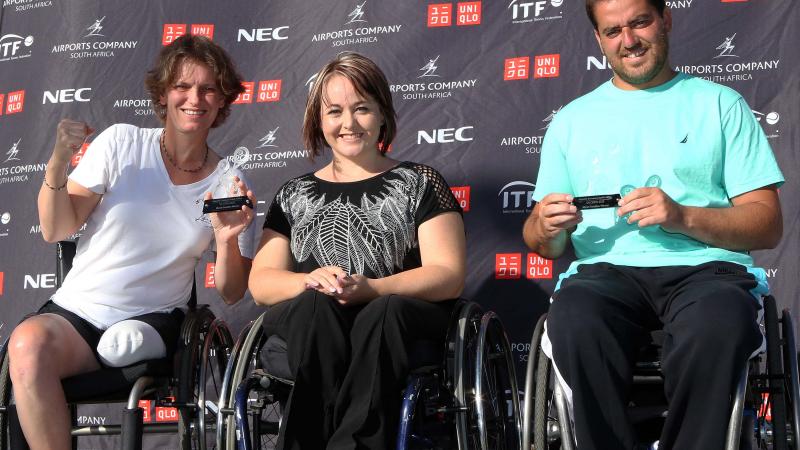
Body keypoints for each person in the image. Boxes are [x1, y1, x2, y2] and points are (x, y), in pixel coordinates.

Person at [521, 0, 784, 448]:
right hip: (605, 275)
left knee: (719, 321)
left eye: (640, 22)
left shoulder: (720, 104)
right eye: (613, 30)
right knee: (575, 319)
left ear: (666, 20)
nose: (629, 40)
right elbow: (541, 244)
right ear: (598, 39)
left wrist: (682, 217)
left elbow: (768, 224)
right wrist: (545, 226)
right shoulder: (570, 121)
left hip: (706, 273)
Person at [7, 34, 257, 450]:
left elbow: (232, 291)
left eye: (207, 88)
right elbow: (56, 228)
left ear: (222, 100)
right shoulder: (121, 142)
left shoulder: (229, 181)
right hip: (78, 315)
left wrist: (226, 238)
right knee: (26, 345)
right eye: (182, 86)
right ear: (163, 93)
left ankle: (128, 342)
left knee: (125, 344)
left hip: (156, 319)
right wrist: (56, 165)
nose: (194, 98)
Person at [248, 52, 466, 449]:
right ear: (319, 120)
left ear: (383, 114)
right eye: (334, 111)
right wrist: (307, 279)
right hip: (315, 325)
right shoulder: (293, 193)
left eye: (362, 108)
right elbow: (262, 284)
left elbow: (448, 273)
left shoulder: (419, 181)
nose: (348, 123)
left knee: (385, 310)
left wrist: (374, 289)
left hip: (396, 317)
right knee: (316, 305)